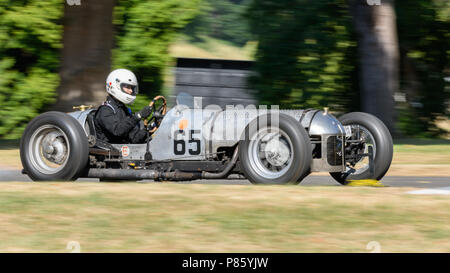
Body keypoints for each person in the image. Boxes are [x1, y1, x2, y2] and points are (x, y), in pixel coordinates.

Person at [94, 69, 152, 144]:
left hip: (126, 150)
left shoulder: (124, 109)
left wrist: (149, 129)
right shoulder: (105, 110)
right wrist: (138, 116)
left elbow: (133, 139)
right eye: (127, 87)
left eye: (131, 88)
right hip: (111, 153)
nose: (131, 91)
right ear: (115, 86)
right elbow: (117, 131)